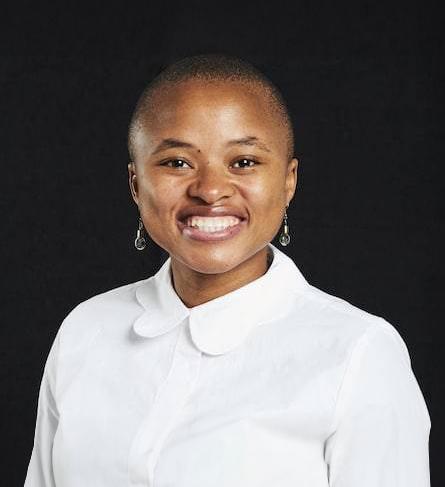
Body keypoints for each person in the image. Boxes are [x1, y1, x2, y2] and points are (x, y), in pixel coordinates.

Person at [24, 54, 431, 486]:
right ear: (136, 184)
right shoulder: (86, 330)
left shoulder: (358, 353)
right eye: (177, 162)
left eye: (244, 162)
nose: (210, 190)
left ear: (288, 180)